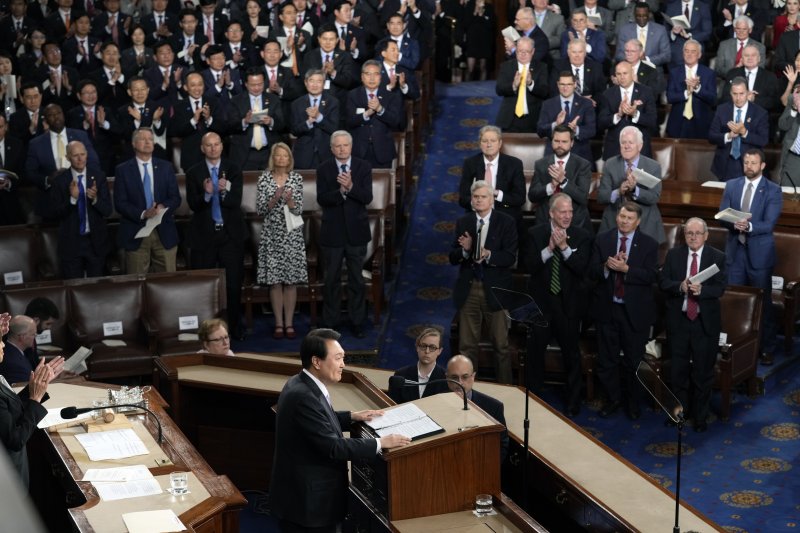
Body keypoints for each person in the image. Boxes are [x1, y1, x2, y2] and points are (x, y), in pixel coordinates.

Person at [269, 328, 411, 531]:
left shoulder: (301, 383)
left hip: (305, 498)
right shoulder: (304, 396)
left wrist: (351, 417)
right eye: (338, 358)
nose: (343, 364)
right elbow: (333, 447)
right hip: (308, 507)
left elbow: (316, 423)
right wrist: (381, 443)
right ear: (317, 362)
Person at [589, 202, 658, 420]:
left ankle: (632, 403)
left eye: (629, 218)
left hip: (634, 313)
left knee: (632, 361)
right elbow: (591, 272)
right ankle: (613, 399)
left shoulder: (649, 244)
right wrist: (606, 268)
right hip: (607, 310)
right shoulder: (603, 239)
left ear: (637, 221)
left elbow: (651, 276)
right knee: (606, 360)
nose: (624, 221)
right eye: (621, 216)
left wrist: (628, 270)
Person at [525, 193, 591, 416]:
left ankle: (573, 402)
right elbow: (529, 266)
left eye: (570, 211)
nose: (567, 216)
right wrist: (549, 249)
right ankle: (533, 398)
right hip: (542, 306)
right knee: (535, 355)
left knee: (571, 356)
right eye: (563, 211)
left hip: (568, 306)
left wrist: (564, 249)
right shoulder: (535, 233)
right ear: (551, 213)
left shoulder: (581, 236)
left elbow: (582, 269)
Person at [659, 217, 727, 432]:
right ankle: (680, 413)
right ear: (684, 235)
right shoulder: (674, 255)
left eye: (698, 233)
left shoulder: (717, 257)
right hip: (679, 322)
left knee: (702, 373)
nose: (693, 237)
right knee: (678, 372)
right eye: (689, 233)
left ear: (706, 235)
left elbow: (721, 288)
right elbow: (663, 283)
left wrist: (703, 291)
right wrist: (680, 286)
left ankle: (700, 417)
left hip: (704, 323)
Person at [450, 180, 518, 385]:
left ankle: (506, 388)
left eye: (483, 197)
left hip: (495, 291)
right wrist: (466, 250)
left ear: (492, 200)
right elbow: (453, 257)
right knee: (467, 346)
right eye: (476, 197)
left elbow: (509, 257)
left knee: (501, 346)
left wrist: (488, 254)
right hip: (469, 289)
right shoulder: (464, 222)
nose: (479, 200)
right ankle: (467, 392)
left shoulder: (506, 222)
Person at [719, 149, 782, 364]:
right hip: (736, 252)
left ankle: (766, 347)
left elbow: (769, 223)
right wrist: (732, 222)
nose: (749, 166)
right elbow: (722, 215)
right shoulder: (732, 185)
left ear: (762, 165)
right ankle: (734, 348)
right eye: (746, 162)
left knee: (762, 304)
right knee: (734, 301)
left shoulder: (772, 190)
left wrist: (749, 225)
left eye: (753, 163)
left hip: (759, 255)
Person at [186, 132, 247, 340]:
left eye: (216, 144)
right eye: (208, 145)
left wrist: (222, 192)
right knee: (205, 287)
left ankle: (233, 330)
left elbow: (235, 201)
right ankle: (207, 333)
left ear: (222, 146)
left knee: (232, 285)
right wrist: (206, 194)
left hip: (230, 235)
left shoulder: (234, 169)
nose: (213, 148)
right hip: (205, 236)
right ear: (202, 148)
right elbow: (194, 205)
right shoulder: (194, 172)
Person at [316, 131, 373, 338]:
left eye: (345, 145)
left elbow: (367, 197)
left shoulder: (363, 167)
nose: (341, 149)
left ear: (351, 146)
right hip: (332, 234)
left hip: (356, 233)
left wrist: (350, 187)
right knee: (331, 280)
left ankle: (357, 321)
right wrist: (340, 193)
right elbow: (322, 198)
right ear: (332, 149)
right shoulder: (324, 168)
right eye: (337, 146)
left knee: (356, 280)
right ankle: (330, 322)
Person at [256, 143, 308, 340]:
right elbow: (260, 209)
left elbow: (298, 209)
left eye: (284, 156)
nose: (281, 159)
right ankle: (279, 323)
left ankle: (290, 323)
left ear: (289, 159)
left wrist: (290, 201)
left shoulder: (296, 178)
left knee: (290, 281)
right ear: (273, 158)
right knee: (276, 282)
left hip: (292, 234)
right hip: (272, 234)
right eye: (277, 156)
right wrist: (274, 198)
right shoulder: (264, 179)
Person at [0, 312, 57, 488]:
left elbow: (8, 407)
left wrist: (35, 387)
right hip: (9, 479)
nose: (3, 344)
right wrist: (35, 398)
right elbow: (15, 440)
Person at [113, 127, 181, 274]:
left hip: (164, 232)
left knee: (168, 283)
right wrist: (144, 213)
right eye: (143, 139)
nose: (148, 142)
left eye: (150, 139)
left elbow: (175, 198)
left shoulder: (166, 167)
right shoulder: (122, 170)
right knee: (137, 284)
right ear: (133, 144)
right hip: (136, 232)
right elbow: (120, 203)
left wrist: (163, 206)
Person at [24, 103, 101, 221]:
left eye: (59, 113)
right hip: (51, 202)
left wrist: (81, 177)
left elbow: (94, 162)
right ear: (45, 120)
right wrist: (48, 179)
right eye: (51, 115)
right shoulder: (36, 144)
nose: (56, 117)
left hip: (82, 196)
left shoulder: (80, 135)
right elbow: (30, 172)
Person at [49, 140, 112, 279]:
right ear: (67, 158)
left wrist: (95, 199)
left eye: (82, 154)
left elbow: (107, 210)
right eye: (75, 155)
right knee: (74, 289)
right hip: (71, 244)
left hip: (95, 243)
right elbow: (54, 213)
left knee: (96, 289)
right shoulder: (60, 181)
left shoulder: (99, 177)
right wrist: (72, 199)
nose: (80, 158)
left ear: (87, 155)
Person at [597, 126, 665, 244]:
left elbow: (654, 197)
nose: (626, 146)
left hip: (645, 223)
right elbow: (602, 196)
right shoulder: (610, 164)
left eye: (631, 143)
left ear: (640, 146)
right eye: (623, 143)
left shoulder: (653, 166)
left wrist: (635, 190)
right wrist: (618, 191)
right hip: (615, 222)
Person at [530, 125, 593, 235]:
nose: (560, 145)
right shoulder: (541, 164)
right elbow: (532, 196)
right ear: (552, 141)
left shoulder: (583, 165)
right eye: (556, 141)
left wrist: (563, 181)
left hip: (575, 222)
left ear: (572, 143)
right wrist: (551, 186)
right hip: (545, 220)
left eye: (564, 141)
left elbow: (582, 198)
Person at [445, 354, 508, 463]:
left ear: (473, 376)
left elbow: (502, 445)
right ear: (447, 378)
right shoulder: (436, 404)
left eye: (465, 377)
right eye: (454, 377)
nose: (459, 382)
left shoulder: (493, 407)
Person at [458, 125, 526, 223]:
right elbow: (463, 198)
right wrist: (478, 203)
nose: (488, 145)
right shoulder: (470, 163)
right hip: (477, 215)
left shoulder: (514, 164)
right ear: (480, 144)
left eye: (493, 141)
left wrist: (497, 193)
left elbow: (519, 198)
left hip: (505, 214)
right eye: (485, 141)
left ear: (500, 143)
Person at [709, 77, 769, 181]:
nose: (738, 98)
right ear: (730, 93)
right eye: (734, 94)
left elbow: (763, 140)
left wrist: (744, 132)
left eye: (741, 94)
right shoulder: (722, 110)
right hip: (726, 164)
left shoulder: (760, 113)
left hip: (749, 164)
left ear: (748, 93)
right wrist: (728, 136)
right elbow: (711, 136)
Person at [345, 60, 401, 168]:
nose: (371, 78)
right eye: (368, 74)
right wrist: (366, 114)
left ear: (381, 77)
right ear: (362, 77)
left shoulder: (391, 96)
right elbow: (349, 122)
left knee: (384, 184)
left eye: (376, 74)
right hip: (359, 151)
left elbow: (396, 122)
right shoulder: (352, 95)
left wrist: (380, 109)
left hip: (383, 151)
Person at [597, 61, 656, 160]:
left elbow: (652, 121)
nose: (622, 77)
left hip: (640, 150)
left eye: (625, 73)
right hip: (614, 149)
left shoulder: (646, 92)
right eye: (619, 74)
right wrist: (618, 115)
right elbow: (601, 123)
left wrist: (635, 114)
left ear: (632, 73)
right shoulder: (607, 94)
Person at [169, 71, 226, 173]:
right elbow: (176, 131)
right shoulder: (179, 107)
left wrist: (209, 119)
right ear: (186, 87)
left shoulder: (214, 102)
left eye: (200, 84)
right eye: (193, 85)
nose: (197, 88)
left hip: (214, 157)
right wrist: (194, 120)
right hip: (191, 158)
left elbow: (224, 128)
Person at [230, 68, 285, 171]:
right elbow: (230, 125)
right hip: (245, 154)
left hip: (268, 153)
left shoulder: (274, 99)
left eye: (260, 84)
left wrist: (271, 122)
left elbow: (282, 124)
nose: (256, 88)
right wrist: (245, 121)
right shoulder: (236, 101)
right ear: (246, 84)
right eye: (253, 85)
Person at [538, 72, 596, 165]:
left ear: (575, 84)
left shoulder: (586, 104)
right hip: (554, 155)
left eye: (569, 84)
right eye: (562, 84)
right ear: (557, 84)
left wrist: (576, 130)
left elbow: (591, 130)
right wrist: (555, 124)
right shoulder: (548, 104)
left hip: (580, 155)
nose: (565, 88)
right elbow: (540, 130)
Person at [495, 36, 550, 133]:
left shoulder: (541, 67)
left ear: (533, 51)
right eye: (520, 51)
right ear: (516, 51)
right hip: (510, 120)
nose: (523, 54)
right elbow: (499, 89)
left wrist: (530, 83)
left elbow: (544, 92)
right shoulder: (506, 66)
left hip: (533, 119)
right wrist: (514, 85)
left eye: (527, 51)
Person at [665, 39, 717, 140]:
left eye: (693, 51)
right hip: (678, 122)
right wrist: (686, 93)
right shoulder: (674, 72)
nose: (689, 54)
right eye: (686, 51)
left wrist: (697, 88)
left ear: (699, 55)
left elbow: (713, 99)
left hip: (701, 123)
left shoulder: (708, 73)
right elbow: (670, 97)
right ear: (683, 53)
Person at [290, 69, 340, 169]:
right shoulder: (297, 104)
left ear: (324, 84)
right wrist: (308, 122)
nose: (315, 84)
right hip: (303, 155)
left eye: (319, 81)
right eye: (311, 81)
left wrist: (319, 117)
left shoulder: (333, 102)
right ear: (305, 82)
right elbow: (294, 130)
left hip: (327, 154)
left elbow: (335, 129)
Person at [388, 327, 449, 404]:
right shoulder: (400, 375)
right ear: (417, 348)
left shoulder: (446, 379)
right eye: (423, 346)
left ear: (439, 351)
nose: (427, 351)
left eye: (432, 347)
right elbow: (392, 406)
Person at [0, 316, 64, 386]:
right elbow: (26, 390)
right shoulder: (17, 366)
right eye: (33, 334)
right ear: (22, 337)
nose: (35, 337)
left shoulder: (8, 350)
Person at [721, 45, 779, 115]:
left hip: (759, 117)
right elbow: (725, 98)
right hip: (735, 115)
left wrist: (754, 100)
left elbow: (774, 102)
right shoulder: (732, 74)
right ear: (742, 59)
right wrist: (743, 99)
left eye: (753, 55)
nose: (750, 58)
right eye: (746, 55)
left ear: (759, 58)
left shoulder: (770, 76)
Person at [551, 39, 607, 106]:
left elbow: (601, 91)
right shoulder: (558, 67)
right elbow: (553, 91)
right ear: (568, 53)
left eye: (580, 52)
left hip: (590, 106)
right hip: (566, 105)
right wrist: (578, 100)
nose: (577, 55)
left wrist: (591, 101)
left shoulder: (596, 67)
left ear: (585, 53)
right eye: (574, 52)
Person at [615, 2, 671, 67]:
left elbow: (666, 55)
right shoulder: (624, 30)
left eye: (644, 16)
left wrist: (646, 60)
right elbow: (619, 55)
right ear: (634, 15)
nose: (642, 19)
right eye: (639, 16)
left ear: (649, 15)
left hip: (654, 70)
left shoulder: (660, 30)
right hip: (631, 70)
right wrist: (633, 59)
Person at [664, 0, 712, 68]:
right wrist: (673, 32)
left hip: (695, 49)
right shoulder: (671, 6)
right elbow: (665, 32)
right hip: (676, 52)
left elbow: (707, 32)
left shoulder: (703, 7)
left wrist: (690, 37)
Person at [462, 0, 496, 81]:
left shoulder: (489, 7)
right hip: (472, 40)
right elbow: (465, 24)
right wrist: (475, 12)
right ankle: (467, 88)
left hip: (484, 41)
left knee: (483, 67)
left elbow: (491, 25)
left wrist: (482, 15)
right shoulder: (469, 5)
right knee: (470, 68)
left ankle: (482, 90)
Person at [778, 86, 800, 186]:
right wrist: (794, 109)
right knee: (787, 195)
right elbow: (783, 125)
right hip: (793, 157)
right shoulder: (794, 98)